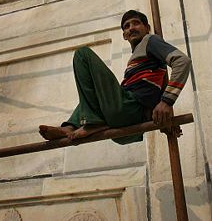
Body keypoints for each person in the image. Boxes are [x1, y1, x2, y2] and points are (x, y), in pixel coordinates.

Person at [39, 10, 191, 145]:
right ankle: (70, 127)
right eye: (126, 26)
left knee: (82, 54)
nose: (131, 27)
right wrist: (165, 120)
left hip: (129, 111)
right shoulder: (143, 58)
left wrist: (167, 102)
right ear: (124, 36)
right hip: (124, 127)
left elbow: (181, 61)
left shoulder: (150, 40)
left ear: (147, 28)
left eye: (136, 23)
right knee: (93, 97)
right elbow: (158, 86)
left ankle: (93, 123)